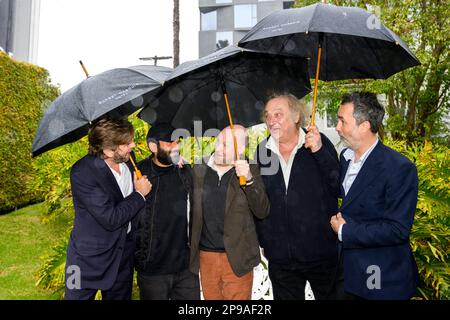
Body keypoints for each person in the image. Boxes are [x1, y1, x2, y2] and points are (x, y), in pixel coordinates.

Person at [331, 92, 419, 300]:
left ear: (364, 126)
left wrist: (345, 231)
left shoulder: (399, 168)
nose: (337, 127)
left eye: (343, 121)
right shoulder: (345, 157)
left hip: (380, 280)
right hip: (347, 275)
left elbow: (397, 229)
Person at [254, 93, 340, 300]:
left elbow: (338, 187)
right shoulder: (262, 151)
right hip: (281, 257)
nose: (271, 120)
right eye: (268, 116)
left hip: (321, 252)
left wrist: (319, 152)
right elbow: (259, 200)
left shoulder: (319, 143)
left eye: (278, 114)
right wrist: (266, 240)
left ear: (296, 116)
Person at [64, 117, 152, 300]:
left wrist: (175, 160)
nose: (133, 145)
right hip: (86, 260)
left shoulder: (128, 159)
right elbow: (111, 218)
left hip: (122, 254)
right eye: (126, 143)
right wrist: (139, 195)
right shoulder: (82, 173)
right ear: (108, 151)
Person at [189, 125, 270, 300]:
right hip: (206, 256)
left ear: (240, 149)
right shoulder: (199, 169)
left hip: (238, 257)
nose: (218, 148)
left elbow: (262, 210)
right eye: (218, 142)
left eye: (225, 145)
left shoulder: (250, 168)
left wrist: (248, 179)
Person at [134, 123, 200, 300]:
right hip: (152, 271)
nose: (176, 146)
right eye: (169, 143)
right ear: (153, 147)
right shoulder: (139, 175)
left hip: (186, 268)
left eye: (177, 141)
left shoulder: (185, 171)